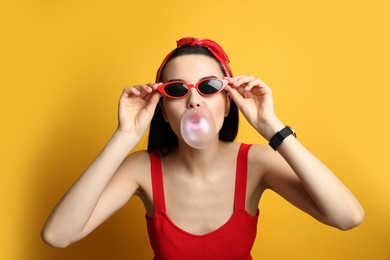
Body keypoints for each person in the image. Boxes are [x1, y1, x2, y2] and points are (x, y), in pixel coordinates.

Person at [41, 37, 364, 259]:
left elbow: (347, 217)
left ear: (228, 102)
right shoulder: (141, 169)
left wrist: (272, 128)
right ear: (164, 112)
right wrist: (125, 134)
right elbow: (58, 236)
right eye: (178, 89)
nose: (194, 99)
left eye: (209, 87)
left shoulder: (256, 163)